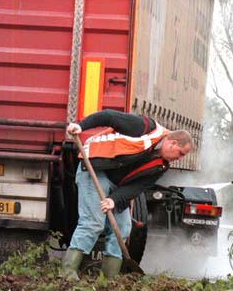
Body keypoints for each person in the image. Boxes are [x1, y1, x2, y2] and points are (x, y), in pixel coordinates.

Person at [62, 109, 193, 280]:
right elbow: (108, 116)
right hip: (96, 168)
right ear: (172, 143)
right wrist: (80, 126)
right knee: (93, 222)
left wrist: (113, 200)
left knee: (123, 227)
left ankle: (109, 278)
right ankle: (68, 272)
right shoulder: (143, 127)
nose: (180, 158)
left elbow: (136, 187)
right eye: (181, 153)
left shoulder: (161, 166)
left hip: (116, 184)